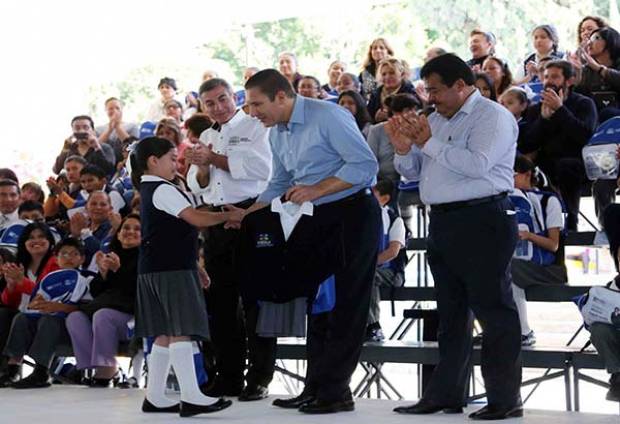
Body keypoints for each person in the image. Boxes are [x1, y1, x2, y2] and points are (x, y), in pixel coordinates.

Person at [386, 53, 522, 420]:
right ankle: (446, 394)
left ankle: (504, 399)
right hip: (443, 222)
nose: (430, 98)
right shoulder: (435, 120)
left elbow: (477, 164)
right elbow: (414, 172)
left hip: (483, 218)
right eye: (428, 90)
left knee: (494, 312)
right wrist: (403, 149)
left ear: (461, 86)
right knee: (450, 314)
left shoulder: (492, 117)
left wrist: (428, 143)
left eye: (436, 90)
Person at [244, 68, 380, 414]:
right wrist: (244, 215)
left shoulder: (329, 115)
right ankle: (315, 386)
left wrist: (316, 189)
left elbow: (365, 166)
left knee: (346, 307)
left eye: (257, 104)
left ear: (280, 96)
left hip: (352, 214)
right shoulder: (277, 133)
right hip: (315, 217)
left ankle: (336, 392)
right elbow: (279, 183)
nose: (253, 112)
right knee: (318, 306)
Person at [130, 136, 238, 416]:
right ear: (153, 161)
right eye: (170, 158)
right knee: (181, 329)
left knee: (165, 332)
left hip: (154, 268)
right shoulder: (163, 189)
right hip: (171, 269)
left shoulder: (149, 188)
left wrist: (195, 264)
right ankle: (191, 396)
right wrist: (228, 216)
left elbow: (169, 232)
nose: (174, 164)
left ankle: (155, 396)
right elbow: (196, 219)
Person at [185, 78, 274, 402]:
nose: (217, 107)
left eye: (222, 99)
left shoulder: (255, 126)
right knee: (221, 303)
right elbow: (198, 184)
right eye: (209, 103)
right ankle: (229, 375)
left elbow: (261, 169)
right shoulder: (207, 136)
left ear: (233, 97)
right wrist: (203, 167)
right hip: (217, 218)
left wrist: (213, 160)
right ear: (203, 106)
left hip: (252, 214)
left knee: (255, 302)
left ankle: (260, 377)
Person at [1, 237, 90, 389]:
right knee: (21, 318)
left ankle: (41, 371)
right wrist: (38, 304)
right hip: (45, 322)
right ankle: (12, 368)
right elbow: (35, 303)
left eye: (74, 254)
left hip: (68, 327)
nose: (68, 257)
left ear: (82, 259)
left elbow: (84, 309)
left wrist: (57, 307)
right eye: (64, 254)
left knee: (48, 320)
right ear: (56, 258)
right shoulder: (49, 279)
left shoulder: (88, 279)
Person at [519, 60, 599, 230]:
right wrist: (544, 120)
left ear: (569, 81)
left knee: (566, 166)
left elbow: (585, 136)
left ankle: (571, 222)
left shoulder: (584, 104)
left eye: (555, 77)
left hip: (578, 163)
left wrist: (561, 110)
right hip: (545, 163)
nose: (548, 81)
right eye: (546, 77)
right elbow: (527, 144)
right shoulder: (535, 109)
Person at [65, 214, 141, 387]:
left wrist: (118, 270)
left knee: (103, 315)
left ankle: (107, 370)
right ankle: (86, 368)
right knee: (75, 318)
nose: (130, 232)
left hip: (135, 317)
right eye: (126, 228)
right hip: (105, 310)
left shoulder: (147, 259)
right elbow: (97, 291)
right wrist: (104, 273)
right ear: (119, 233)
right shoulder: (111, 255)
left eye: (137, 229)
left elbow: (137, 290)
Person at [509, 155, 567, 347]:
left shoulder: (549, 201)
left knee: (506, 271)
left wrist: (528, 236)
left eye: (512, 175)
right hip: (519, 265)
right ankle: (505, 328)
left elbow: (553, 245)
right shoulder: (507, 200)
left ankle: (524, 331)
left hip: (548, 269)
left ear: (526, 175)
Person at [0, 222, 58, 386]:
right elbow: (9, 301)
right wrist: (11, 285)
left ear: (50, 241)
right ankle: (11, 370)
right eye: (31, 238)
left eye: (41, 237)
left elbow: (47, 295)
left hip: (49, 313)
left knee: (22, 319)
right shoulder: (20, 264)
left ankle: (41, 372)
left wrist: (21, 281)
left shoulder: (54, 262)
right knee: (6, 314)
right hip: (26, 313)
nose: (36, 241)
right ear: (24, 242)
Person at [366, 179, 406, 342]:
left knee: (369, 276)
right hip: (371, 268)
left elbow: (392, 252)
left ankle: (373, 325)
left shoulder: (395, 220)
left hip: (391, 272)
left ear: (385, 198)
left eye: (373, 194)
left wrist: (366, 264)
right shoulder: (365, 218)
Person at [571, 27, 620, 122]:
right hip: (592, 118)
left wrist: (598, 68)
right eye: (589, 39)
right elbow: (576, 96)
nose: (589, 43)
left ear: (611, 41)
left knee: (609, 113)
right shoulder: (585, 70)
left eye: (596, 38)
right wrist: (577, 74)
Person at [367, 58, 420, 123]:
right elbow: (367, 117)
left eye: (392, 73)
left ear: (402, 74)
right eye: (384, 74)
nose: (387, 77)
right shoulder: (375, 94)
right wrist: (375, 118)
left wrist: (390, 117)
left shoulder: (411, 93)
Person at [96, 97, 139, 164]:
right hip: (104, 162)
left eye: (117, 108)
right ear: (106, 110)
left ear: (122, 110)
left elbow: (133, 145)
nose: (114, 111)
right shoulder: (98, 129)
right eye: (110, 108)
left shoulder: (132, 126)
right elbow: (95, 146)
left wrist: (117, 127)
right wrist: (109, 130)